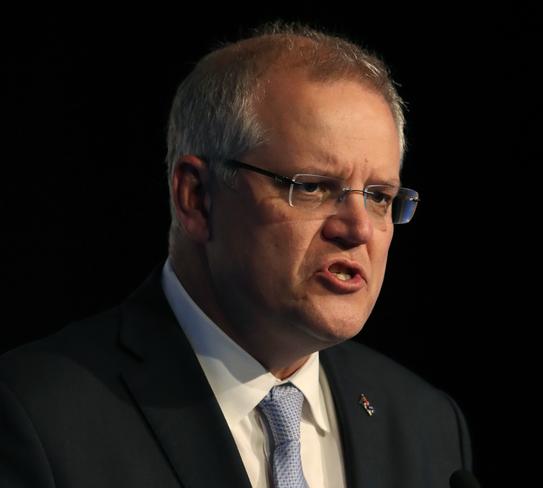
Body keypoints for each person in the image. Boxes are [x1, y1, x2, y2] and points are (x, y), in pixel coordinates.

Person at [0, 23, 472, 487]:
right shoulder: (37, 415)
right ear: (196, 197)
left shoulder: (424, 424)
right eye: (311, 187)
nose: (358, 228)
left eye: (380, 197)